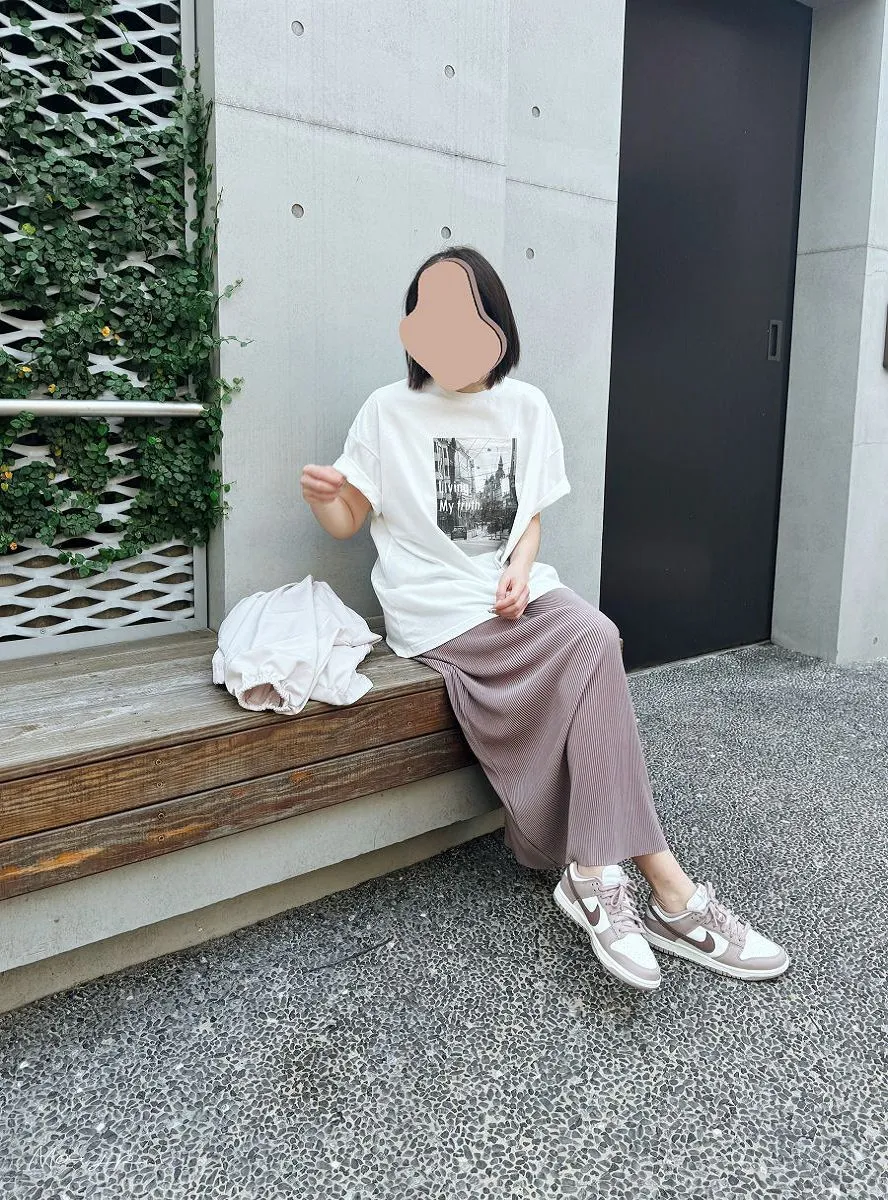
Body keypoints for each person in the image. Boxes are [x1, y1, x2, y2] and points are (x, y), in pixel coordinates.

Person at [300, 246, 789, 992]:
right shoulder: (386, 410)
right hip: (436, 611)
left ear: (496, 326)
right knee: (593, 644)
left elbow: (528, 519)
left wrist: (522, 569)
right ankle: (668, 892)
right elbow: (348, 520)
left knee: (593, 637)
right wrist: (326, 500)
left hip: (515, 595)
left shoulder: (525, 405)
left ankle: (601, 877)